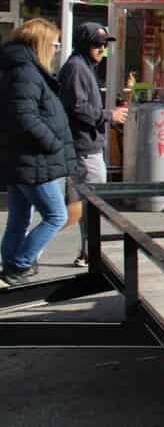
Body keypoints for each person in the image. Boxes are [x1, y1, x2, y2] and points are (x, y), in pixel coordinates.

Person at [0, 19, 77, 286]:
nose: (56, 49)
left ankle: (11, 265)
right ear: (41, 43)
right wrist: (53, 144)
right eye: (55, 44)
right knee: (57, 215)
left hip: (23, 160)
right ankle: (20, 264)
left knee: (19, 217)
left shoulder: (20, 69)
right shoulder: (25, 71)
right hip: (34, 160)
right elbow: (25, 117)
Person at [58, 23, 128, 268]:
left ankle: (88, 253)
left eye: (104, 45)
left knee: (86, 206)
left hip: (85, 146)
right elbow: (77, 108)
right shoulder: (77, 68)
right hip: (84, 149)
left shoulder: (82, 66)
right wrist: (109, 116)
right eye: (97, 45)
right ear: (84, 44)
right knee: (88, 206)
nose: (102, 49)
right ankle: (28, 250)